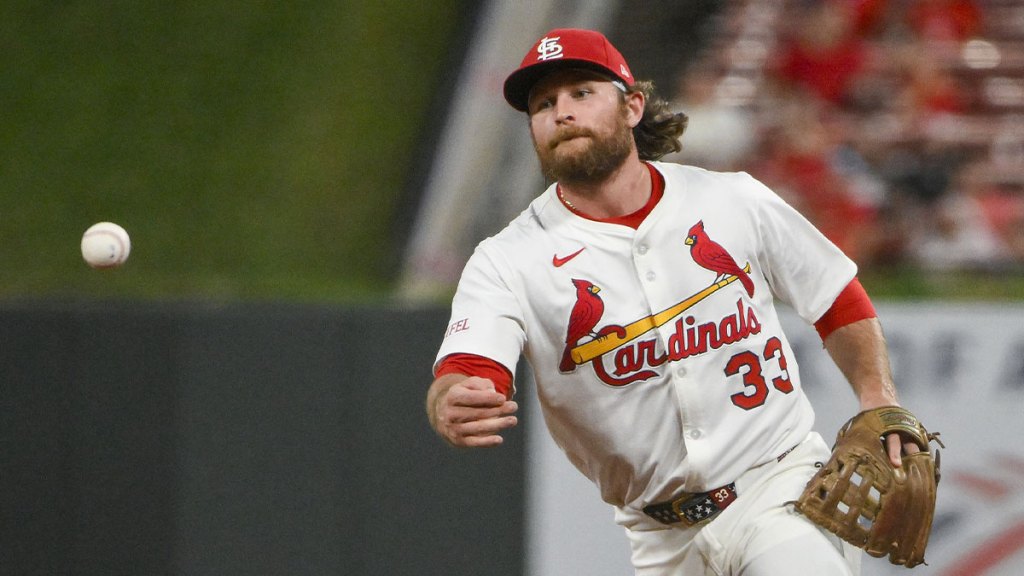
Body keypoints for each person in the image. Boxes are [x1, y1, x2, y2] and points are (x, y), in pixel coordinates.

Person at [426, 28, 917, 575]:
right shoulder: (508, 259)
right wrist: (454, 401)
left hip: (778, 485)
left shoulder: (733, 199)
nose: (560, 112)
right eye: (543, 104)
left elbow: (835, 296)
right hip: (660, 538)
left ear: (633, 106)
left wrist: (878, 398)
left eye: (581, 93)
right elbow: (469, 369)